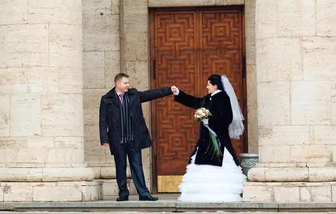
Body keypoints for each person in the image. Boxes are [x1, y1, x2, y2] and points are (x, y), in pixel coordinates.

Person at [99, 73, 175, 201]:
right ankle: (123, 193)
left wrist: (168, 90)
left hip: (133, 139)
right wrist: (104, 138)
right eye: (125, 83)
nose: (128, 85)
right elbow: (103, 120)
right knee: (120, 167)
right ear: (117, 84)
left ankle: (143, 193)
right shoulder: (107, 99)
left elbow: (150, 94)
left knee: (137, 166)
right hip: (118, 140)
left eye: (128, 82)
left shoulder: (133, 95)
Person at [171, 74, 246, 202]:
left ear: (215, 85)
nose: (206, 87)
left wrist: (209, 121)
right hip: (205, 140)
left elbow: (227, 118)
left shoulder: (223, 98)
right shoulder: (208, 98)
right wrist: (178, 93)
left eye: (208, 84)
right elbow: (195, 102)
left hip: (219, 139)